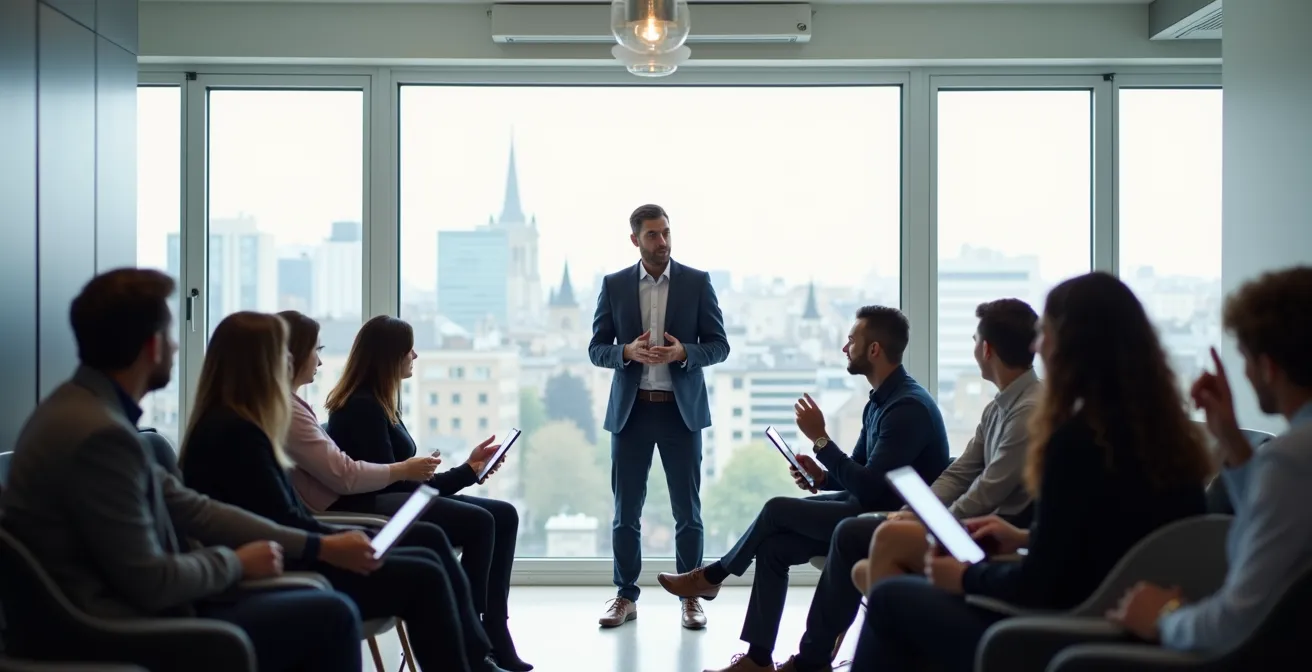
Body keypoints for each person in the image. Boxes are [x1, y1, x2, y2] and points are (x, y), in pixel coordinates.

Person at [0, 269, 370, 672]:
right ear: (152, 346)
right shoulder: (99, 435)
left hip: (126, 609)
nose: (177, 347)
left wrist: (318, 546)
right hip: (116, 630)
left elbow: (196, 509)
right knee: (333, 616)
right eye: (171, 335)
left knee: (322, 607)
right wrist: (237, 563)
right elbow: (152, 581)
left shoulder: (84, 412)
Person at [851, 271, 1212, 672]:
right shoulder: (1171, 438)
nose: (1037, 347)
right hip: (1115, 622)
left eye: (1045, 334)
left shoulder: (1076, 441)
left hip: (1056, 634)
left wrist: (964, 578)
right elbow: (1111, 541)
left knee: (886, 597)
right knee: (874, 575)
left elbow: (1040, 585)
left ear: (1070, 347)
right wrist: (1024, 536)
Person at [179, 312, 510, 672]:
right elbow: (287, 515)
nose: (311, 361)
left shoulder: (241, 425)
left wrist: (335, 538)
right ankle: (476, 658)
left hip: (297, 546)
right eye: (292, 355)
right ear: (268, 362)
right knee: (427, 572)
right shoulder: (241, 433)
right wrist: (329, 543)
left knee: (430, 556)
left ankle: (477, 655)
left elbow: (281, 515)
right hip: (285, 562)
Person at [658, 305, 950, 672]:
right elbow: (860, 473)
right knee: (774, 548)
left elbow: (875, 491)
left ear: (874, 350)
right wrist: (823, 476)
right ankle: (758, 659)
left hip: (889, 519)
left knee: (777, 509)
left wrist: (822, 441)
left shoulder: (908, 408)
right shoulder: (880, 401)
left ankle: (713, 577)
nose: (845, 348)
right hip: (864, 505)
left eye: (851, 340)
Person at [778, 298, 1041, 672]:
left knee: (855, 535)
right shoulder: (999, 406)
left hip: (991, 534)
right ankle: (831, 656)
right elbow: (960, 473)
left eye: (973, 340)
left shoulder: (1027, 410)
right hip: (975, 526)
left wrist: (929, 521)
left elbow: (989, 491)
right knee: (861, 555)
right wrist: (913, 511)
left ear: (987, 349)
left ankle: (815, 659)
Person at [279, 310, 530, 670]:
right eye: (409, 350)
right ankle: (478, 637)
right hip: (370, 505)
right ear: (389, 357)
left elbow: (404, 479)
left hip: (385, 496)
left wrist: (467, 470)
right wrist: (460, 473)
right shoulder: (362, 408)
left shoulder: (379, 401)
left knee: (503, 514)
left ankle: (492, 628)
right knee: (480, 522)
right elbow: (390, 480)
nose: (415, 357)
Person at [1108, 266, 1312, 654]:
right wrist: (1232, 442)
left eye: (1246, 360)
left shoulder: (1291, 459)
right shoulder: (1294, 459)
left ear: (1268, 367)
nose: (1246, 374)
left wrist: (1164, 614)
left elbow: (1235, 622)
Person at [589, 204, 731, 629]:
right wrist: (625, 353)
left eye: (666, 232)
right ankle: (625, 596)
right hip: (632, 414)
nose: (662, 242)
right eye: (652, 235)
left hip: (680, 415)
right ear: (635, 239)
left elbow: (720, 346)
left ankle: (691, 596)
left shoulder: (697, 283)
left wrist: (684, 352)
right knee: (625, 512)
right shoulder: (614, 285)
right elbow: (597, 349)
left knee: (687, 511)